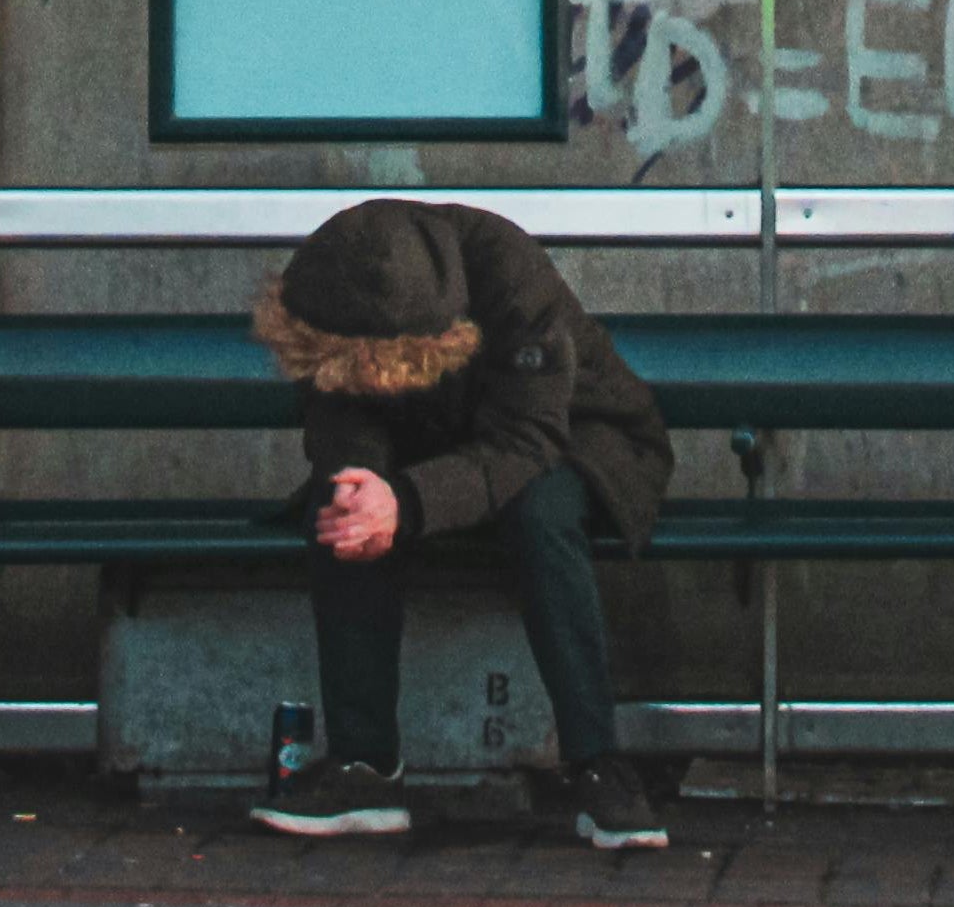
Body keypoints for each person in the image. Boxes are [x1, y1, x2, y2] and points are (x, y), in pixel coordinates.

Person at [245, 197, 675, 851]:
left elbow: (528, 438)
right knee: (341, 510)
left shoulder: (510, 273)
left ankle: (598, 763)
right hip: (436, 445)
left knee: (542, 510)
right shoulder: (334, 285)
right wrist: (364, 486)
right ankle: (364, 766)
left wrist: (409, 504)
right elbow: (341, 416)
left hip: (574, 436)